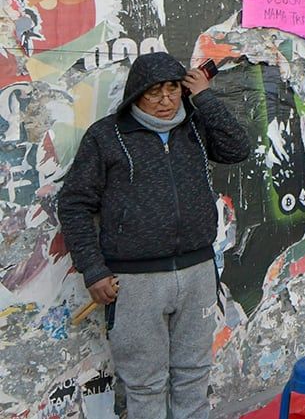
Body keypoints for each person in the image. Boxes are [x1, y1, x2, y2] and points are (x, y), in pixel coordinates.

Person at [57, 52, 251, 419]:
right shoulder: (107, 135)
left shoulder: (194, 125)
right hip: (134, 282)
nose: (165, 101)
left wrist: (204, 97)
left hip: (197, 272)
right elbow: (74, 204)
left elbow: (238, 148)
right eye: (153, 93)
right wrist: (93, 270)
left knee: (194, 376)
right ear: (135, 95)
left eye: (173, 89)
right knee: (145, 385)